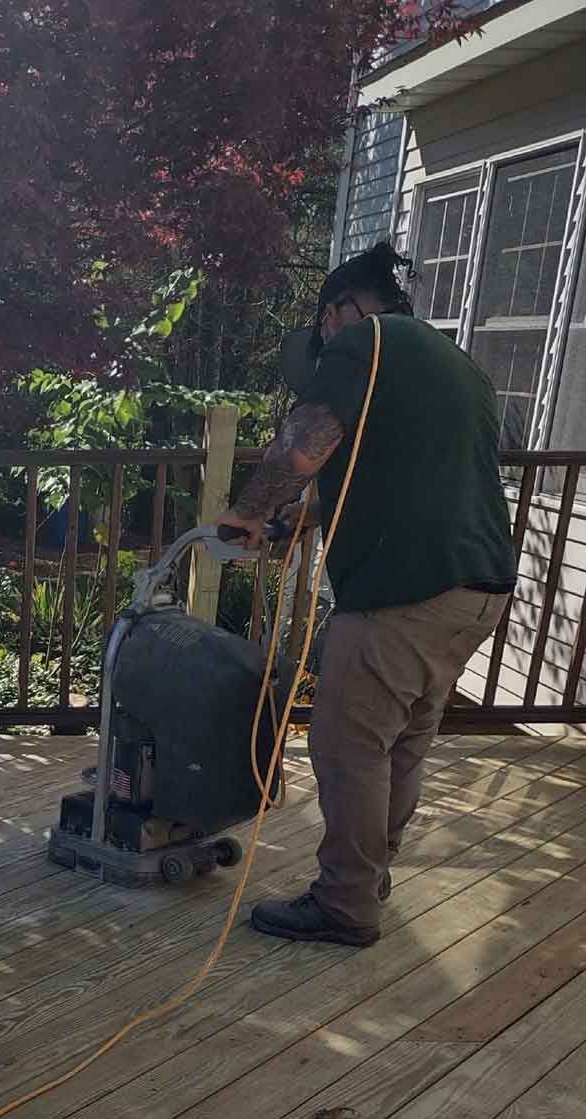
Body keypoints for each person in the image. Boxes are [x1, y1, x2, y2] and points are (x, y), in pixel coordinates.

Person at [218, 241, 517, 947]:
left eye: (326, 329)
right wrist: (301, 517)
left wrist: (249, 513)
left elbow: (308, 438)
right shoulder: (457, 366)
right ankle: (367, 879)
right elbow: (379, 467)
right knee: (399, 744)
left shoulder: (366, 343)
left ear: (341, 312)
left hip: (403, 592)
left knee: (346, 744)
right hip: (477, 589)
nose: (327, 342)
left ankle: (345, 903)